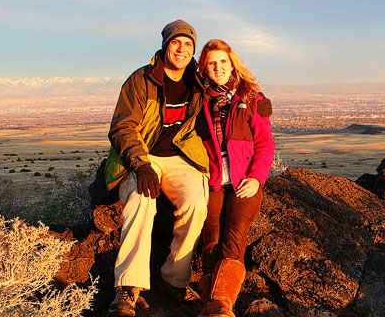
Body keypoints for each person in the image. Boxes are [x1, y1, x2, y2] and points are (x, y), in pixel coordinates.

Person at [104, 20, 211, 317]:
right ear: (165, 45)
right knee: (140, 201)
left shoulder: (197, 81)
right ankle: (128, 287)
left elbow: (229, 86)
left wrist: (258, 101)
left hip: (179, 156)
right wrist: (141, 165)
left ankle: (174, 279)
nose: (182, 48)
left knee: (196, 204)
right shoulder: (142, 79)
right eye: (176, 42)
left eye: (188, 44)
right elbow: (123, 127)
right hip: (142, 155)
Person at [195, 39, 275, 317]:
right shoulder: (200, 100)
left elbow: (265, 145)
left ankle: (218, 305)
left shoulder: (252, 99)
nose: (218, 67)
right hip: (214, 182)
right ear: (204, 68)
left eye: (223, 62)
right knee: (210, 240)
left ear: (233, 65)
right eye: (211, 63)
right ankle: (217, 307)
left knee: (234, 238)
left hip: (245, 183)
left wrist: (256, 179)